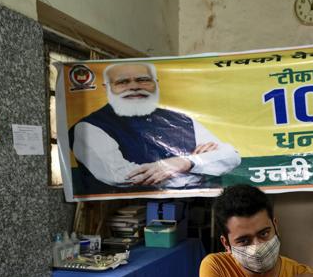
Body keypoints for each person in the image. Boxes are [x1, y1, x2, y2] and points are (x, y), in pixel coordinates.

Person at [69, 62, 241, 193]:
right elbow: (125, 176)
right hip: (130, 214)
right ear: (108, 88)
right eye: (122, 82)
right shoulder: (89, 128)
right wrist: (202, 168)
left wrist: (185, 162)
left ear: (156, 84)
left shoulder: (181, 119)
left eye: (143, 80)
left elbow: (231, 156)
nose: (134, 86)